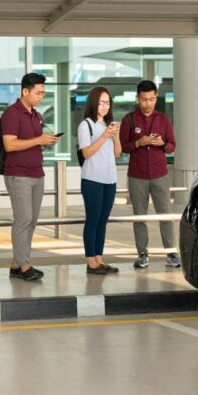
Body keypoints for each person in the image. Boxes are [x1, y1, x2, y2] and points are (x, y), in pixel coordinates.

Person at [1, 73, 59, 281]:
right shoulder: (12, 114)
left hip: (36, 172)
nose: (40, 97)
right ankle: (24, 265)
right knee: (23, 219)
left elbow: (35, 141)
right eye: (38, 93)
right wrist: (38, 140)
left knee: (32, 221)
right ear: (25, 91)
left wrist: (46, 141)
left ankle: (17, 264)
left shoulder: (37, 115)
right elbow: (10, 144)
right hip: (19, 174)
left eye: (43, 93)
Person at [119, 80, 179, 269]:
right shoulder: (129, 119)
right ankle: (143, 254)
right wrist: (139, 142)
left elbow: (172, 146)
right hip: (137, 175)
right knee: (139, 216)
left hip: (160, 174)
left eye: (152, 99)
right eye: (144, 100)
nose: (148, 104)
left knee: (165, 215)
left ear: (155, 98)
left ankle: (171, 253)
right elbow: (123, 147)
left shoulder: (163, 120)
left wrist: (160, 143)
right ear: (138, 99)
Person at [77, 87, 122, 275]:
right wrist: (104, 137)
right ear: (94, 102)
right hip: (92, 179)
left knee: (103, 221)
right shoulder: (85, 125)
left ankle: (99, 259)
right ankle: (91, 262)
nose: (105, 106)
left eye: (108, 103)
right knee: (93, 220)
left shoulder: (108, 125)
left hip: (110, 179)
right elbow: (86, 152)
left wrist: (116, 137)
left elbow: (117, 153)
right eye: (102, 102)